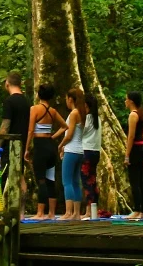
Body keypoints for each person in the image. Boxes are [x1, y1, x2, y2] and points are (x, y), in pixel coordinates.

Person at [25, 84, 68, 220]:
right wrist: (52, 136)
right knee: (50, 179)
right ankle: (51, 213)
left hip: (40, 146)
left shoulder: (34, 109)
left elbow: (31, 130)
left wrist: (26, 148)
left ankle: (40, 213)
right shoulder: (53, 111)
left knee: (41, 179)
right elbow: (65, 126)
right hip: (50, 146)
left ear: (38, 95)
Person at [0, 71, 31, 215]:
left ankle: (7, 211)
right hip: (22, 143)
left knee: (6, 177)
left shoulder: (9, 101)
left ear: (7, 83)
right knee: (20, 177)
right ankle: (22, 212)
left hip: (10, 145)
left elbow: (5, 125)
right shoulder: (26, 101)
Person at [58, 89, 86, 220]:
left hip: (71, 150)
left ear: (70, 99)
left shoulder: (74, 113)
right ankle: (76, 213)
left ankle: (68, 212)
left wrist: (61, 145)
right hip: (80, 151)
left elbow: (69, 135)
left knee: (67, 181)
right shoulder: (82, 113)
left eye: (66, 99)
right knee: (75, 182)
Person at [124, 91, 143, 219]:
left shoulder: (133, 115)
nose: (125, 101)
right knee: (141, 180)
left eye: (126, 99)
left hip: (135, 148)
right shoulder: (142, 113)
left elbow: (131, 136)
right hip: (142, 148)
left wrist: (127, 154)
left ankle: (137, 209)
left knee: (135, 180)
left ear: (131, 101)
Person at [80, 94, 102, 219]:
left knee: (86, 181)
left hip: (86, 151)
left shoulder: (87, 119)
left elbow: (81, 134)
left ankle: (89, 211)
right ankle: (94, 208)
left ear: (86, 105)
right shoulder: (97, 118)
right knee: (93, 180)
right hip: (96, 151)